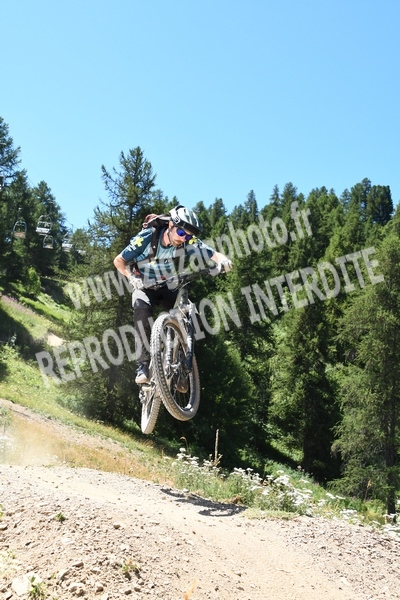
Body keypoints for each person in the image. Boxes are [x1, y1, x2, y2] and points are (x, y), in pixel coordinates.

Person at [113, 205, 233, 383]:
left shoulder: (186, 240)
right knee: (141, 311)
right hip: (144, 285)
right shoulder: (147, 237)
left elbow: (211, 253)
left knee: (193, 318)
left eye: (188, 236)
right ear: (170, 225)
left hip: (167, 284)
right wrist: (131, 277)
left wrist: (224, 261)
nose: (183, 238)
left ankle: (179, 363)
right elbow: (119, 261)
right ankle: (143, 366)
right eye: (181, 233)